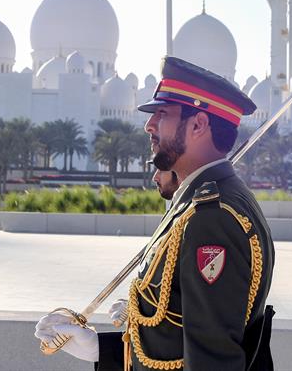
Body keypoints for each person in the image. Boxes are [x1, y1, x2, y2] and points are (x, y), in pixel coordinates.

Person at [35, 56, 276, 371]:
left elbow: (212, 360)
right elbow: (176, 332)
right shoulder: (200, 203)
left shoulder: (213, 218)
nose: (149, 125)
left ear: (198, 125)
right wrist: (100, 349)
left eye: (162, 114)